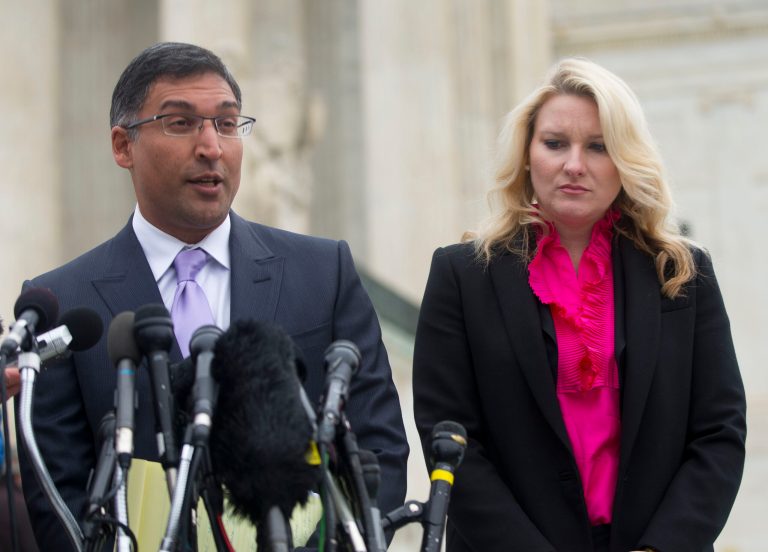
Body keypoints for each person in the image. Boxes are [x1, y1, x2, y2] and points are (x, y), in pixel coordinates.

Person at [16, 42, 408, 550]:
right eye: (180, 123)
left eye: (226, 124)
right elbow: (58, 499)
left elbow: (378, 451)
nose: (211, 147)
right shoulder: (63, 302)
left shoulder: (324, 272)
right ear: (122, 145)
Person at [413, 57, 746, 552]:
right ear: (527, 155)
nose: (574, 165)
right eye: (554, 144)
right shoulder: (461, 276)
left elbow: (719, 433)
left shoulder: (681, 274)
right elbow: (451, 442)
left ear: (625, 160)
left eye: (598, 146)